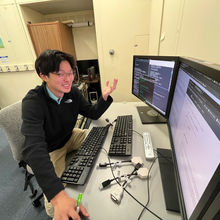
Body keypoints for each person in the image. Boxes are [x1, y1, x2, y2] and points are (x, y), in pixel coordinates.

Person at [21, 49, 118, 220]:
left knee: (102, 137)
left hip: (70, 136)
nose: (68, 79)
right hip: (51, 148)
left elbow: (91, 113)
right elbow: (34, 148)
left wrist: (103, 98)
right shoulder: (33, 102)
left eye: (70, 73)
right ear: (43, 76)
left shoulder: (72, 92)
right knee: (54, 207)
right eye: (60, 74)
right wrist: (58, 196)